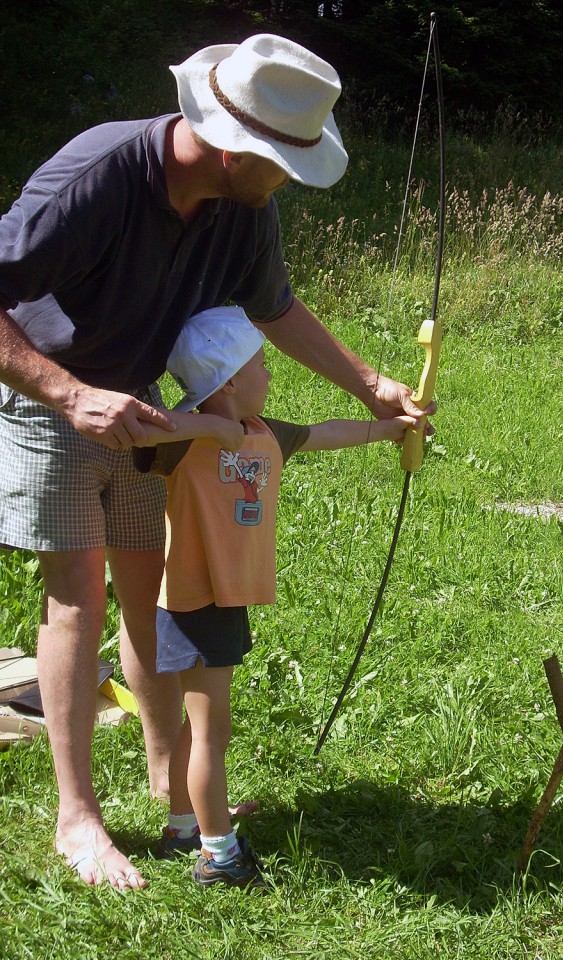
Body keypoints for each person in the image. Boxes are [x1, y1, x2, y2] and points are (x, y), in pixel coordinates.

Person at [0, 33, 427, 889]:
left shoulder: (244, 206)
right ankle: (76, 820)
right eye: (282, 163)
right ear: (234, 148)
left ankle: (171, 791)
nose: (288, 182)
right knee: (76, 600)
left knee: (146, 593)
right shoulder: (97, 177)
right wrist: (67, 393)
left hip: (151, 413)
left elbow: (275, 309)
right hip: (51, 403)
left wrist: (371, 382)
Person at [133, 305, 425, 889]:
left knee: (198, 727)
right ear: (231, 381)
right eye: (262, 364)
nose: (272, 375)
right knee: (213, 731)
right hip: (195, 602)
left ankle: (184, 825)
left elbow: (323, 434)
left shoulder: (265, 434)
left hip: (220, 598)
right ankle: (219, 855)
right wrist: (213, 427)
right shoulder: (184, 442)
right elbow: (140, 428)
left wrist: (387, 429)